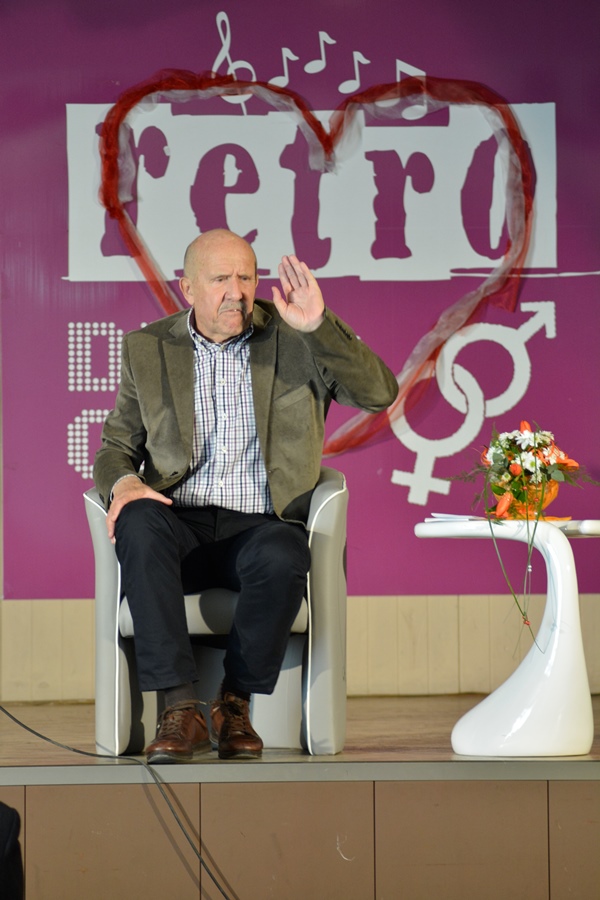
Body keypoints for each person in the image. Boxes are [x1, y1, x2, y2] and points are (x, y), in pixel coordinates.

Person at [94, 229, 398, 763]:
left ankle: (233, 705)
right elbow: (116, 447)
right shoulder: (148, 347)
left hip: (260, 523)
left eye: (246, 277)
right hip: (178, 521)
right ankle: (180, 708)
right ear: (188, 287)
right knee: (137, 521)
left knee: (284, 553)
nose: (236, 291)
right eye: (220, 279)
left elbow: (380, 394)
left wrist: (319, 327)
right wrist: (125, 482)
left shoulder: (297, 336)